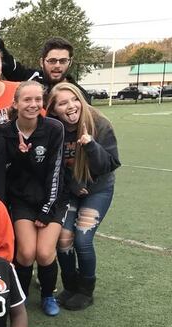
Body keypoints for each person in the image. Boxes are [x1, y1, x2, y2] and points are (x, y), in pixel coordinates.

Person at [47, 82, 120, 310]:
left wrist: (90, 144)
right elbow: (52, 166)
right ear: (53, 109)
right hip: (70, 192)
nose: (70, 106)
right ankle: (70, 285)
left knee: (83, 239)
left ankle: (86, 290)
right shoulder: (53, 127)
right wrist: (72, 183)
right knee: (63, 239)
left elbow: (108, 165)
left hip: (97, 189)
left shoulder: (99, 123)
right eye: (62, 103)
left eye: (74, 99)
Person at [4, 81, 67, 316]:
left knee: (43, 253)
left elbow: (56, 171)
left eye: (37, 100)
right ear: (16, 103)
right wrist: (20, 157)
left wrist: (47, 208)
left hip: (52, 200)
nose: (33, 105)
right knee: (27, 253)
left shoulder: (53, 128)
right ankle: (19, 298)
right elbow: (9, 174)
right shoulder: (6, 132)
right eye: (27, 100)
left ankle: (48, 295)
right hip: (22, 201)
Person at [0, 13, 92, 103]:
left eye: (63, 61)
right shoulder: (31, 78)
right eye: (52, 61)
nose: (57, 65)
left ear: (70, 62)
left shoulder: (80, 95)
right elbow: (9, 66)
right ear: (42, 62)